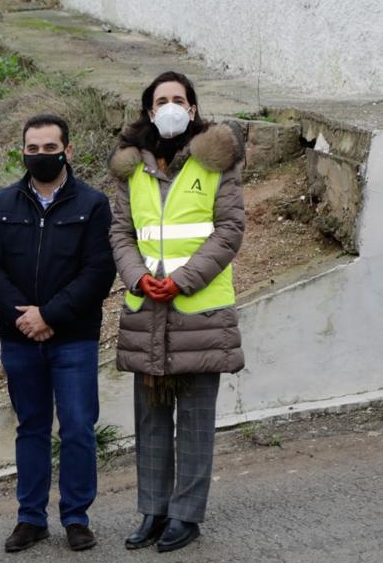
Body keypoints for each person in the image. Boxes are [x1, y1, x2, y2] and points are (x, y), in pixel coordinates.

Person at [107, 71, 245, 553]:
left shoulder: (215, 163)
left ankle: (186, 515)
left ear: (192, 108)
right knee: (150, 419)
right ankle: (153, 511)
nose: (169, 106)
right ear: (148, 110)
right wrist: (135, 278)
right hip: (147, 309)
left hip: (199, 312)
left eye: (178, 99)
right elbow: (121, 233)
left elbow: (229, 231)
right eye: (160, 99)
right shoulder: (132, 168)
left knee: (195, 420)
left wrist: (182, 281)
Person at [0, 114, 116, 553]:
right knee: (31, 428)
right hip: (19, 339)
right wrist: (24, 316)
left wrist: (49, 315)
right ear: (23, 152)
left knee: (77, 428)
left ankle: (76, 517)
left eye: (49, 147)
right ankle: (30, 518)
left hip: (73, 338)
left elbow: (99, 271)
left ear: (68, 151)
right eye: (31, 148)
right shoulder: (3, 203)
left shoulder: (92, 204)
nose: (40, 156)